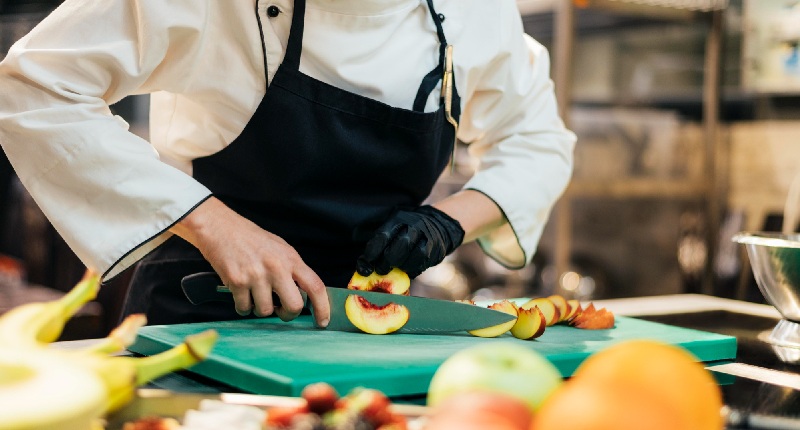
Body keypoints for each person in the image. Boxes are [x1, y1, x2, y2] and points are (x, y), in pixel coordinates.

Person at [0, 0, 575, 327]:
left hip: (365, 325)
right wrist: (216, 225)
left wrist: (449, 221)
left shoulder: (472, 9)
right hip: (204, 307)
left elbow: (536, 138)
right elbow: (30, 86)